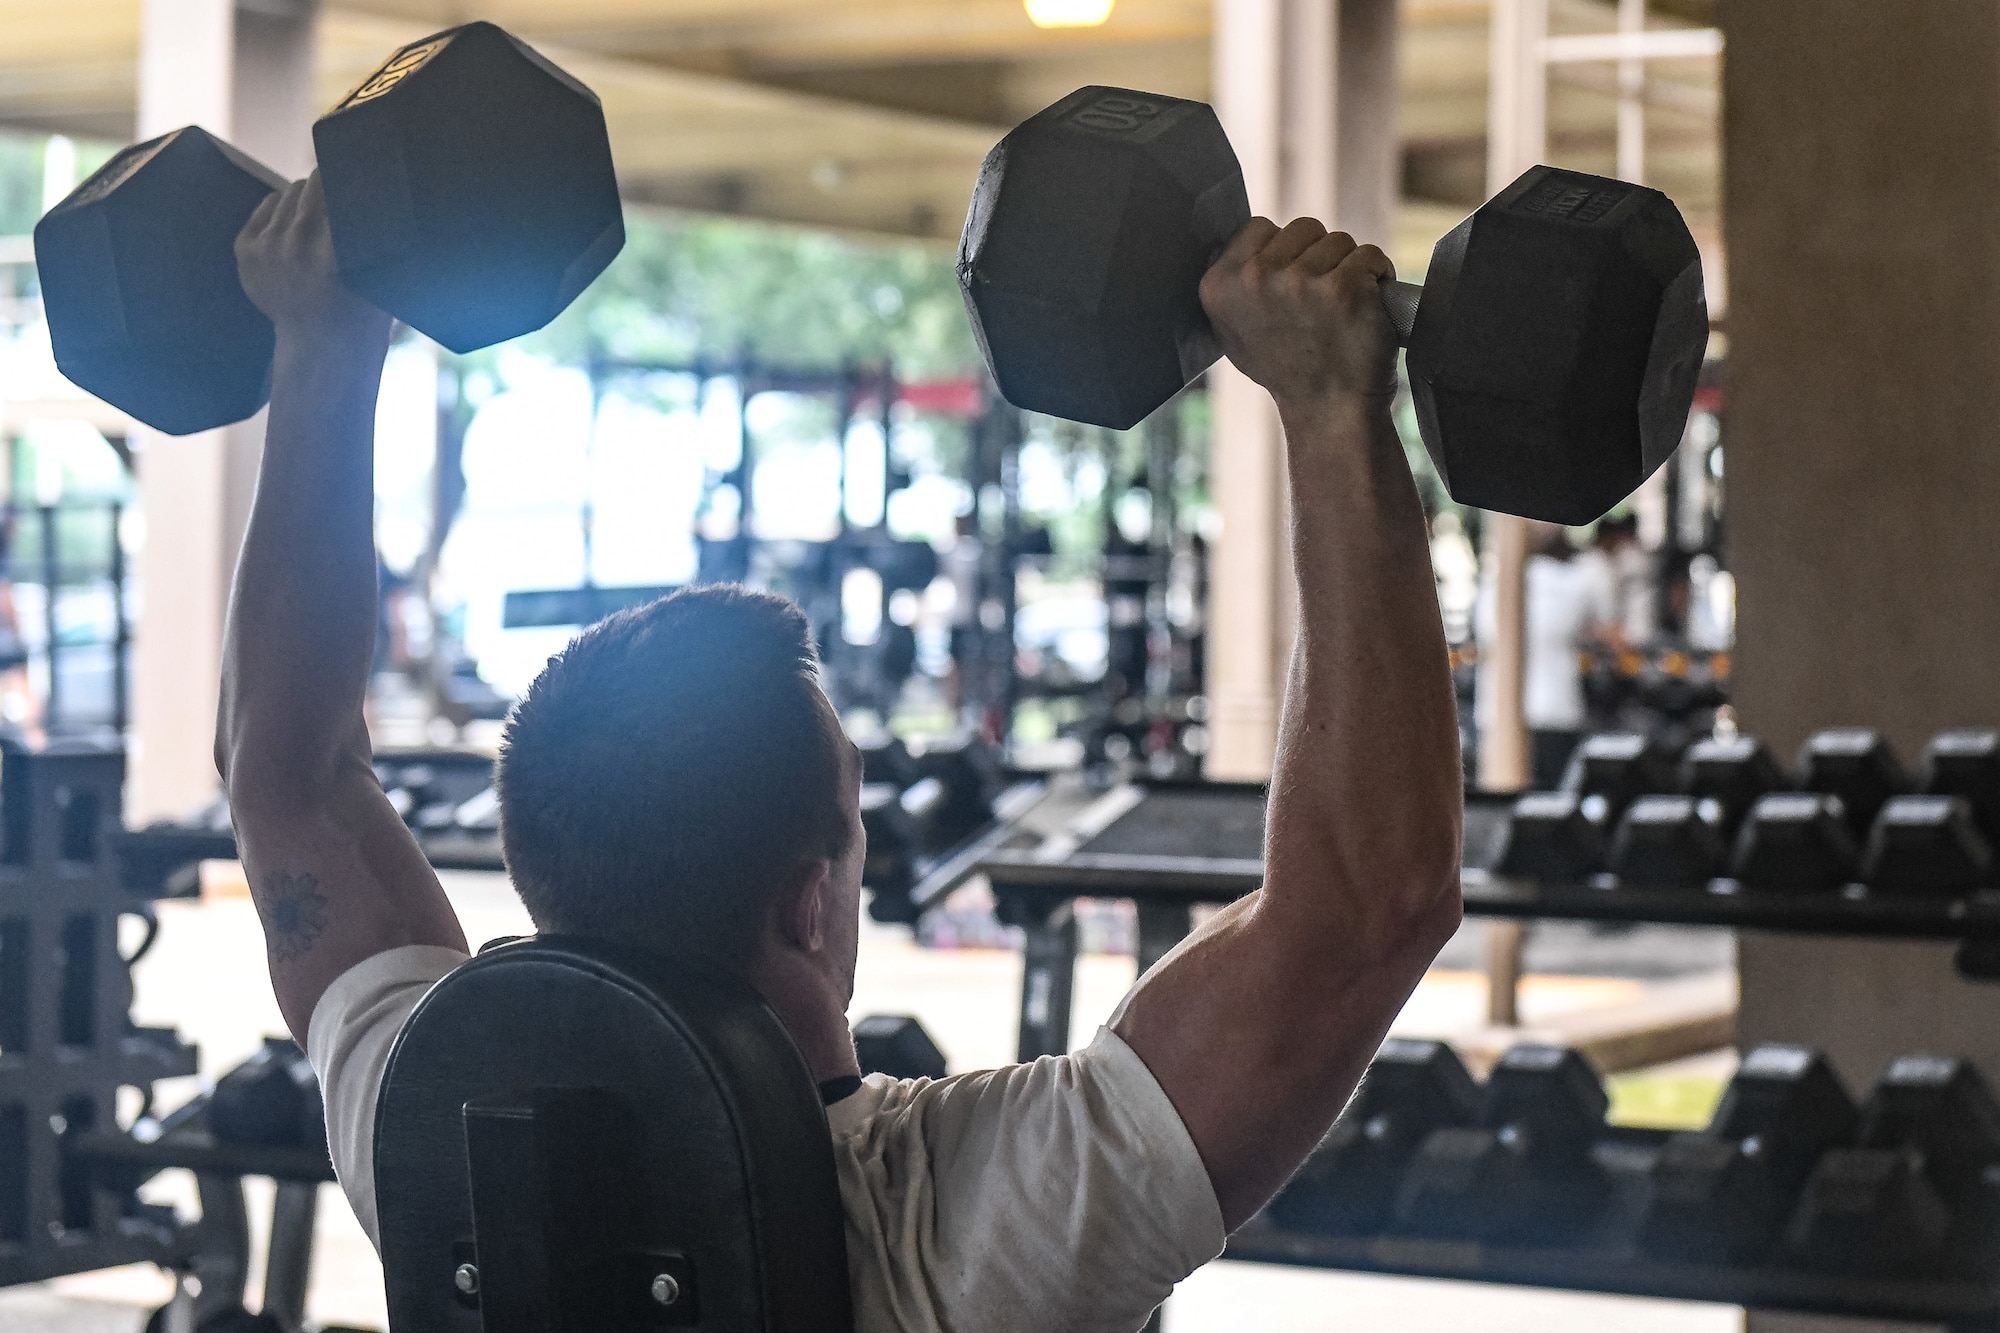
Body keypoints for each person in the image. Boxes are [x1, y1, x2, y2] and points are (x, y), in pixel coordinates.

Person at [220, 178, 1463, 1332]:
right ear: (813, 902)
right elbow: (1363, 908)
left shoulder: (432, 1133)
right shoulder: (966, 1214)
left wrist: (321, 347)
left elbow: (292, 783)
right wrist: (1332, 405)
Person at [1476, 522, 1620, 788]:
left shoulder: (1491, 586)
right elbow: (1614, 634)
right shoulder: (1577, 581)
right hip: (1556, 709)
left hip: (1495, 712)